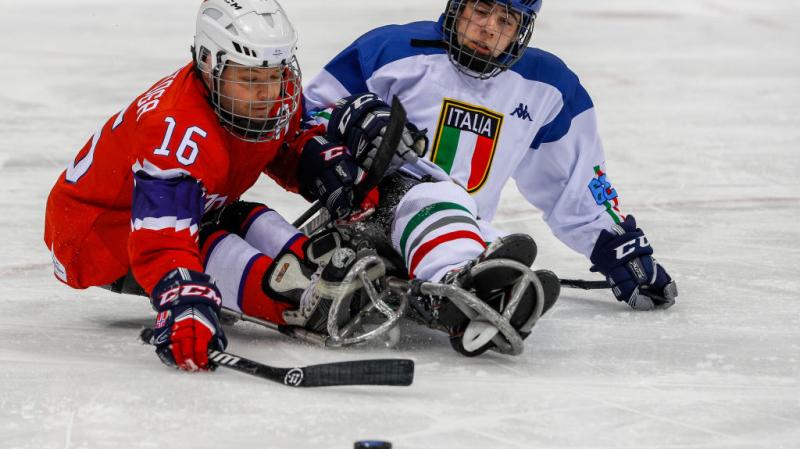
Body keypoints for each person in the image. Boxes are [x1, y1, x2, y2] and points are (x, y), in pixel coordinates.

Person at [303, 0, 678, 353]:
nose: (488, 29)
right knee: (434, 200)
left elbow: (573, 183)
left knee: (497, 245)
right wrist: (345, 120)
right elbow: (300, 121)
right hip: (367, 216)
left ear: (522, 31)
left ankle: (476, 278)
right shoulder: (390, 51)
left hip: (453, 227)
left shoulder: (549, 87)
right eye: (480, 10)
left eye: (506, 21)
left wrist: (615, 248)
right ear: (457, 6)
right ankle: (455, 285)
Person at [44, 0, 378, 371]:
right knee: (212, 244)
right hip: (99, 236)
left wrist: (325, 168)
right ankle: (293, 300)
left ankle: (319, 269)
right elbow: (163, 240)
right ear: (208, 63)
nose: (268, 94)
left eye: (275, 74)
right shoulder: (176, 132)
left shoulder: (252, 93)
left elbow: (287, 141)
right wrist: (184, 301)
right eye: (251, 79)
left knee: (251, 218)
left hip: (188, 204)